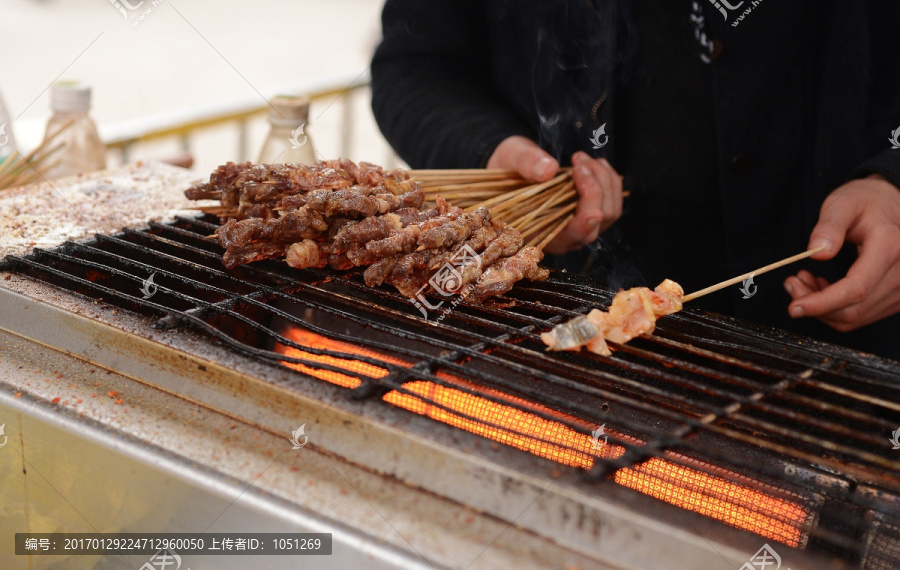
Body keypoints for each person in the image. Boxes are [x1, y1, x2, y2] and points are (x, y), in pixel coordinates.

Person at [370, 0, 900, 360]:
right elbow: (415, 67)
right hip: (550, 321)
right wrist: (491, 152)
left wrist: (892, 182)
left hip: (836, 324)